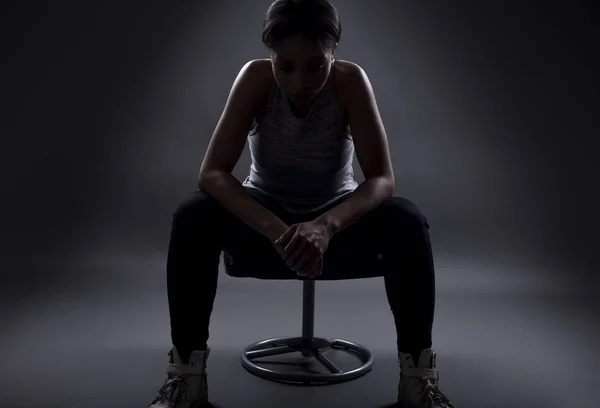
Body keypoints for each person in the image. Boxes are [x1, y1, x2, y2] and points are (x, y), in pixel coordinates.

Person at [149, 1, 456, 407]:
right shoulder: (255, 79)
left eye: (315, 66)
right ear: (270, 55)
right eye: (285, 66)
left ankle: (418, 385)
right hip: (265, 227)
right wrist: (278, 232)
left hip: (335, 227)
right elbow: (212, 174)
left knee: (406, 219)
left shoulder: (350, 82)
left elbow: (382, 179)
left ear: (334, 54)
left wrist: (325, 227)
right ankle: (187, 382)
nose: (299, 81)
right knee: (193, 215)